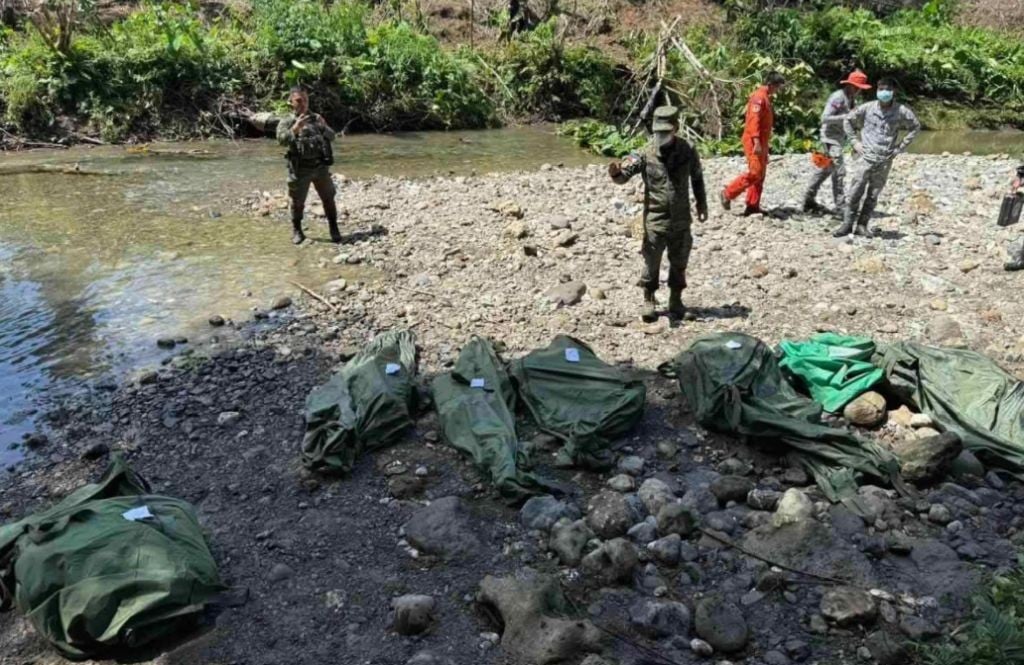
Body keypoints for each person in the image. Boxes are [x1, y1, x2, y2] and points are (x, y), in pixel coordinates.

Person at [609, 105, 708, 322]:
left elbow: (697, 178)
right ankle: (649, 299)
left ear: (675, 129)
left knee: (679, 260)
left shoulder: (688, 150)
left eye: (666, 132)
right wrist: (615, 173)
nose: (661, 137)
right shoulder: (645, 153)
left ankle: (676, 301)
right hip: (655, 218)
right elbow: (624, 175)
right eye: (658, 132)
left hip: (681, 218)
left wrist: (702, 204)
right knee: (651, 260)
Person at [833, 77, 921, 237]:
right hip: (866, 158)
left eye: (887, 89)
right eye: (881, 89)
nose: (884, 92)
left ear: (893, 91)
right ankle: (847, 225)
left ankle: (862, 226)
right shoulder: (867, 108)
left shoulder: (901, 111)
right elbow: (847, 121)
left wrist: (899, 148)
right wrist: (854, 142)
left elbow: (915, 127)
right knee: (854, 192)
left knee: (873, 195)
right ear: (877, 90)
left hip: (884, 160)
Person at [276, 87, 341, 245]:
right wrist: (295, 129)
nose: (303, 103)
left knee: (328, 198)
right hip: (300, 169)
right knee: (297, 201)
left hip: (320, 168)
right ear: (291, 102)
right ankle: (297, 230)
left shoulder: (316, 118)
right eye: (299, 100)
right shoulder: (287, 121)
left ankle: (334, 228)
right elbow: (281, 140)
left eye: (305, 100)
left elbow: (332, 136)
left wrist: (323, 127)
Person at [803, 70, 872, 215]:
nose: (859, 90)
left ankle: (808, 200)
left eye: (860, 88)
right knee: (839, 171)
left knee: (824, 170)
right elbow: (824, 118)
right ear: (850, 85)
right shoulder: (838, 97)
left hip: (839, 139)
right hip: (829, 139)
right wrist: (846, 116)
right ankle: (840, 206)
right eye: (857, 87)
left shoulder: (852, 99)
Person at [721, 71, 786, 216]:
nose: (777, 91)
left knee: (761, 174)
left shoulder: (766, 98)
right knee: (755, 172)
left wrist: (765, 146)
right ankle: (728, 193)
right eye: (777, 87)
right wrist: (756, 142)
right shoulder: (758, 98)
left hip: (762, 141)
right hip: (753, 141)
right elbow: (753, 121)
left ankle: (752, 206)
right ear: (771, 84)